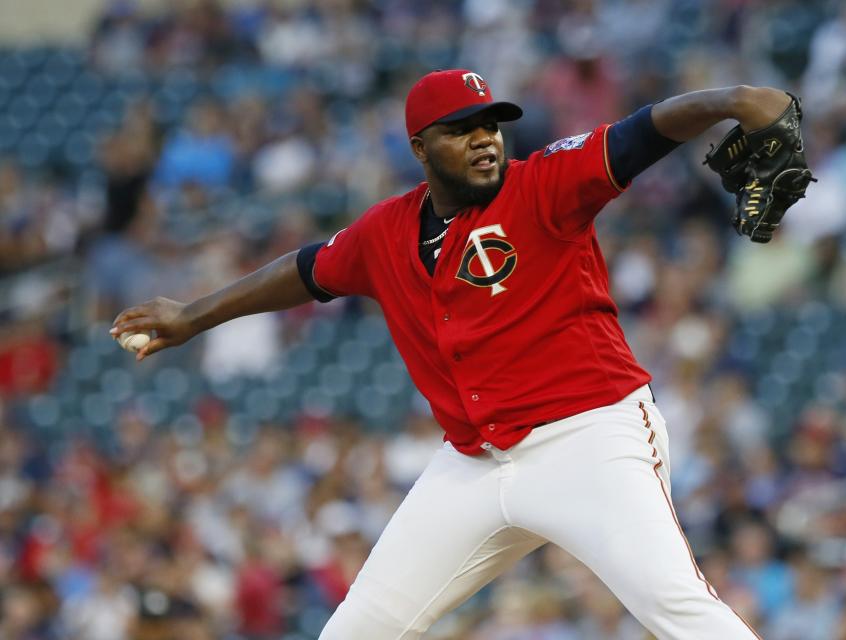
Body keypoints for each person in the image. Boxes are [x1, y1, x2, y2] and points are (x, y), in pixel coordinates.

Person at [111, 68, 795, 639]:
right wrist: (194, 316)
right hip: (472, 462)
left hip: (588, 440)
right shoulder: (386, 230)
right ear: (420, 145)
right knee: (357, 629)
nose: (483, 140)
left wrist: (731, 101)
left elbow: (641, 132)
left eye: (490, 125)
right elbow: (308, 269)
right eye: (461, 129)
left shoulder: (544, 184)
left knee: (676, 610)